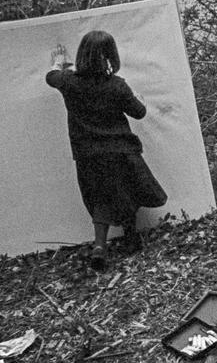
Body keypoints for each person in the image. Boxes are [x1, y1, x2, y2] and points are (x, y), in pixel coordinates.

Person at [46, 30, 148, 271]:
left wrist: (59, 64)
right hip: (118, 151)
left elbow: (51, 76)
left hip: (87, 154)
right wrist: (138, 97)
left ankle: (100, 245)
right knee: (126, 193)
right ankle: (131, 238)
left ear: (82, 54)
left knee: (100, 198)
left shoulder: (68, 82)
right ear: (111, 56)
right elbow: (139, 112)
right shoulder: (117, 86)